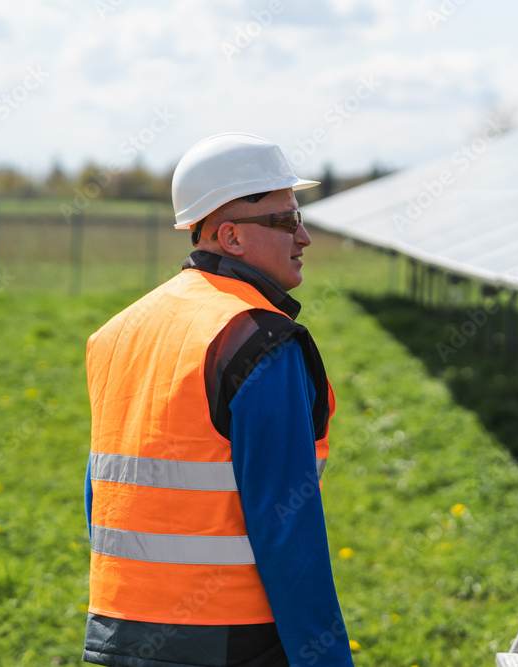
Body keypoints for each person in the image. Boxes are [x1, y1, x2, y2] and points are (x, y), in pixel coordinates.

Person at [82, 133, 354, 667]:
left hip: (114, 634)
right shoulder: (256, 341)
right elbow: (286, 524)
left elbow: (101, 496)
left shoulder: (115, 333)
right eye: (285, 221)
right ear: (229, 236)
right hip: (232, 639)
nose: (304, 237)